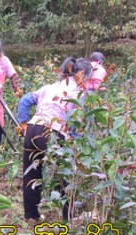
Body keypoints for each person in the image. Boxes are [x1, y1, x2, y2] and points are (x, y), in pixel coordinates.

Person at [16, 57, 93, 222]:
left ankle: (31, 216)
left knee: (31, 173)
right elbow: (75, 122)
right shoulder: (78, 93)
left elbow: (24, 101)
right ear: (80, 73)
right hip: (51, 132)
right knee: (66, 173)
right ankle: (69, 215)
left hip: (32, 129)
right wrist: (74, 146)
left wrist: (23, 124)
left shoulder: (50, 87)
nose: (86, 82)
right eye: (86, 78)